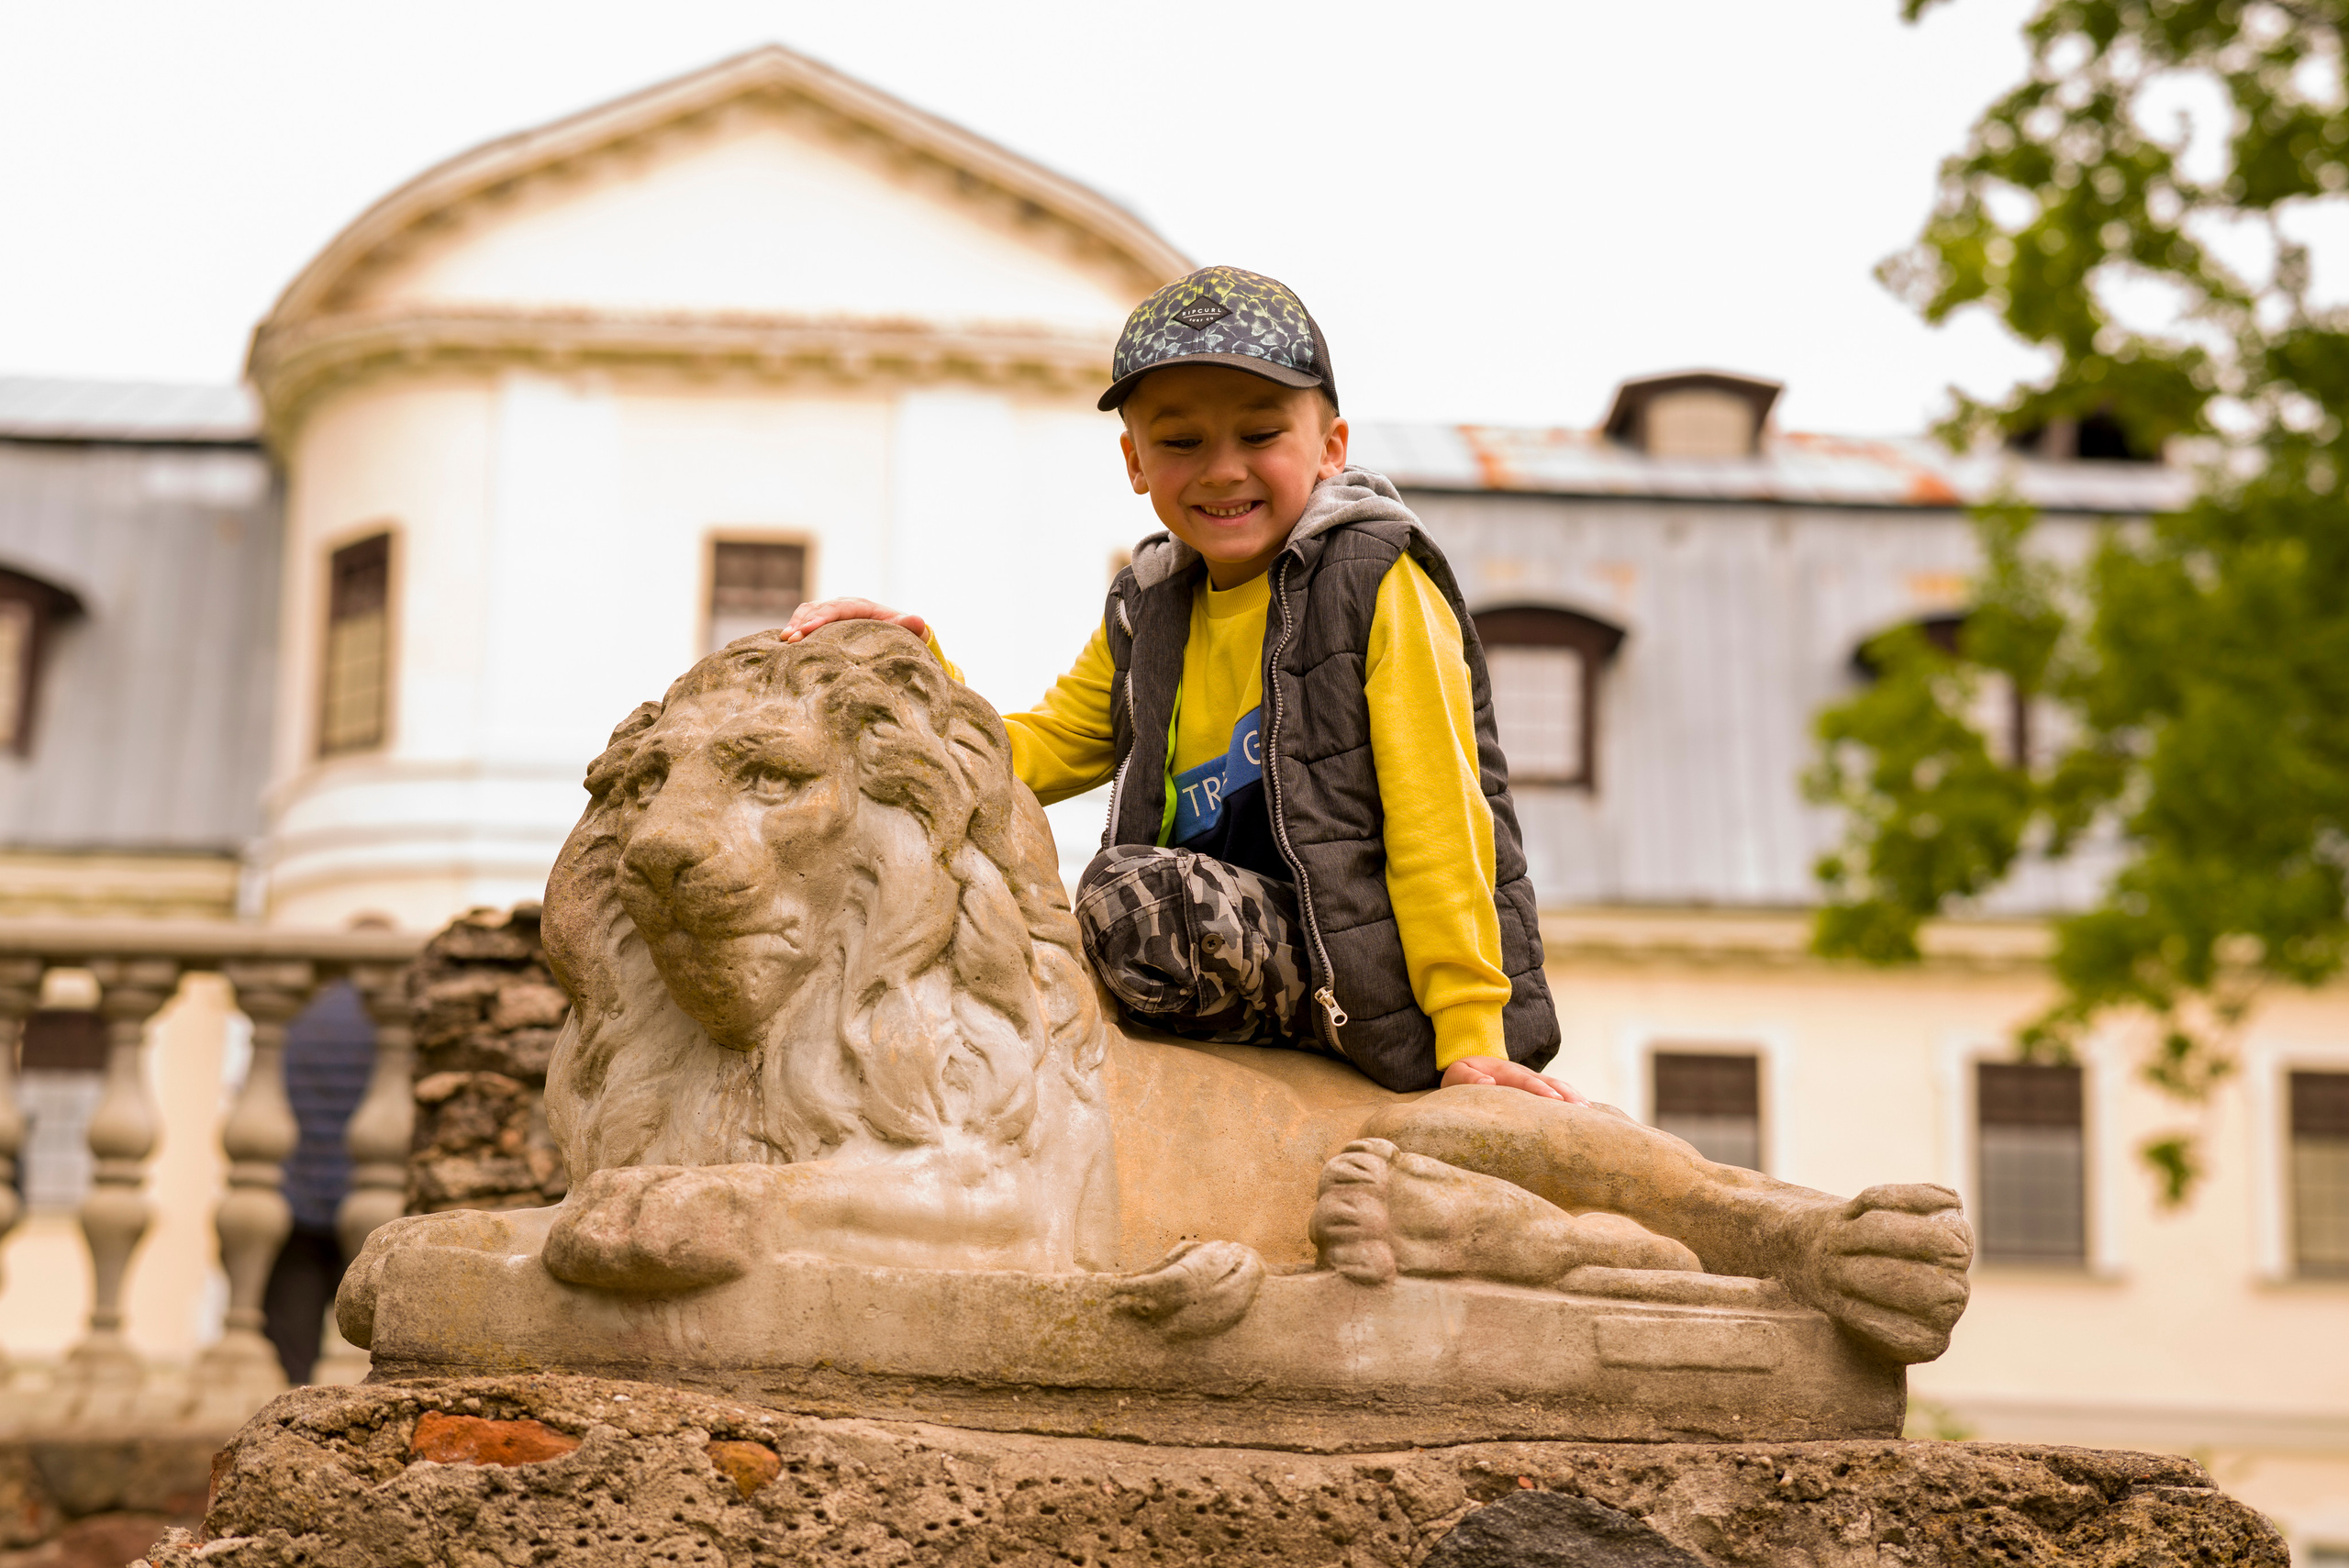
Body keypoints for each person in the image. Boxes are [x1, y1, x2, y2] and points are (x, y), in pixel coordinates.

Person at [785, 266, 1569, 1101]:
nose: (1222, 471)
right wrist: (911, 669)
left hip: (1375, 970)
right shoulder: (1151, 607)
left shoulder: (1374, 580)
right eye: (1182, 442)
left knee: (1129, 902)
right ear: (1134, 460)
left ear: (1331, 447)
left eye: (1261, 435)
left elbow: (1439, 821)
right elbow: (1039, 748)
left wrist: (1472, 1037)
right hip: (1224, 950)